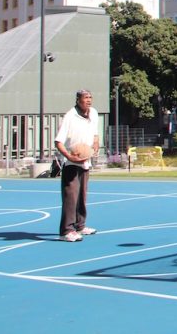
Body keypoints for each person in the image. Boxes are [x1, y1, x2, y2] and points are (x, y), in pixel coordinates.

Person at [54, 89, 100, 242]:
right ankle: (66, 230)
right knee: (71, 197)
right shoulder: (70, 116)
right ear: (78, 100)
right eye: (85, 98)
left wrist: (95, 144)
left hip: (85, 162)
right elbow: (58, 141)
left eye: (90, 97)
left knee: (82, 196)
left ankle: (80, 226)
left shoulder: (93, 113)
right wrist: (69, 156)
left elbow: (95, 134)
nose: (89, 100)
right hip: (71, 164)